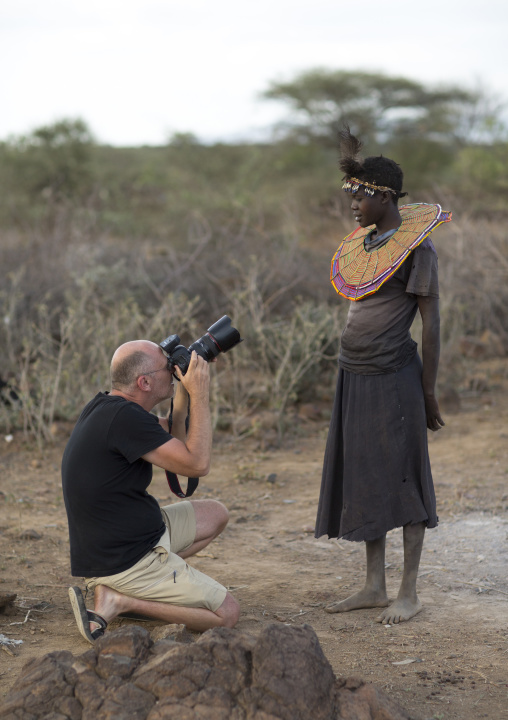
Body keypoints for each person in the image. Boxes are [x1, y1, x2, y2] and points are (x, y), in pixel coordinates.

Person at [315, 128, 452, 624]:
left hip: (396, 375)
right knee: (367, 473)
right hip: (355, 375)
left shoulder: (419, 250)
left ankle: (409, 592)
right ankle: (374, 585)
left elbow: (431, 323)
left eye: (360, 197)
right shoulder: (366, 245)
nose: (352, 206)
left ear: (385, 196)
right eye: (350, 196)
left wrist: (429, 392)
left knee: (405, 475)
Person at [62, 339, 240, 644]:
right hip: (126, 558)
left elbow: (173, 435)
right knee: (227, 614)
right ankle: (122, 599)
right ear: (144, 382)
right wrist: (200, 394)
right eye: (166, 368)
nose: (172, 372)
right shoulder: (126, 419)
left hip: (127, 538)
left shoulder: (108, 408)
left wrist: (183, 393)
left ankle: (150, 584)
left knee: (215, 515)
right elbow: (196, 463)